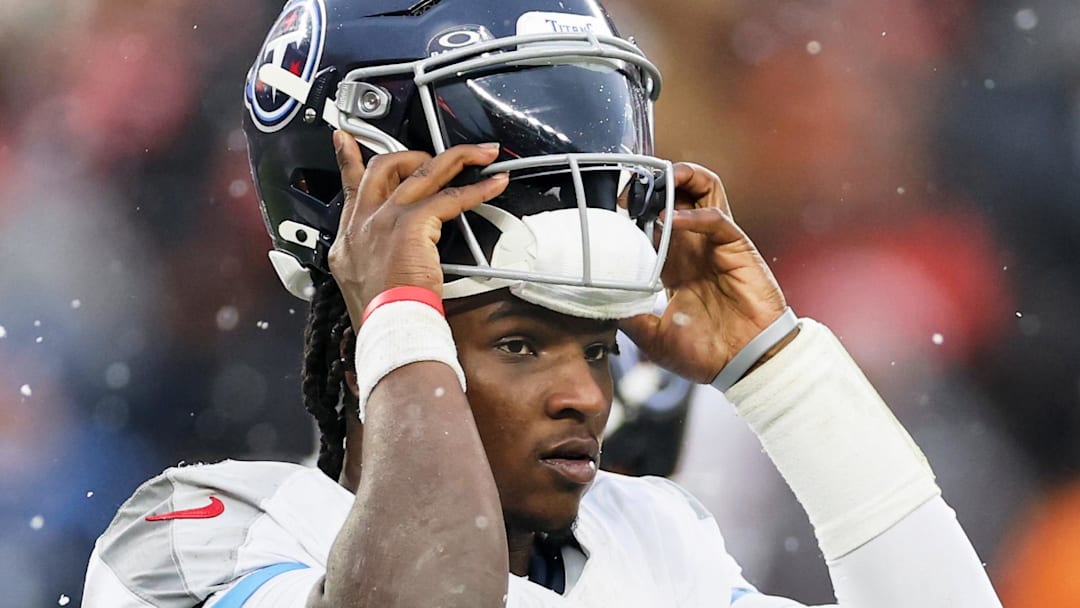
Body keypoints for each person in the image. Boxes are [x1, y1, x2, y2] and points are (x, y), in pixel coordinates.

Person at [82, 0, 1004, 606]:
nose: (587, 396)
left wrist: (780, 371)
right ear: (374, 330)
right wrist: (400, 313)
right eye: (522, 344)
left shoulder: (651, 542)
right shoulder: (189, 538)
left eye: (599, 347)